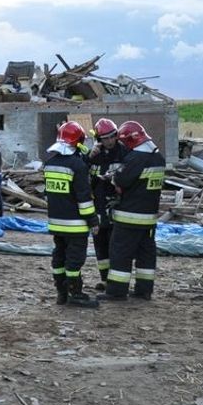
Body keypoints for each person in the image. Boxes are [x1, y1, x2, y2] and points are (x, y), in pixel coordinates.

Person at [101, 121, 164, 302]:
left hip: (129, 216)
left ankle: (116, 291)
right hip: (149, 218)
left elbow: (121, 179)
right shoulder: (157, 157)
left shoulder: (136, 158)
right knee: (146, 254)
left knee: (120, 253)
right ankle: (144, 290)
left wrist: (113, 179)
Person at [43, 121, 99, 308]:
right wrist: (93, 220)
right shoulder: (77, 166)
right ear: (79, 141)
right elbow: (83, 199)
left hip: (55, 222)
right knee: (75, 260)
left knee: (59, 257)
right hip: (75, 224)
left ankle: (61, 293)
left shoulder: (49, 164)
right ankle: (75, 294)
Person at [87, 118, 126, 290]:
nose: (109, 141)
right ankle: (104, 278)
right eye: (105, 138)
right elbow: (82, 174)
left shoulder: (124, 152)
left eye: (111, 137)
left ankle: (115, 280)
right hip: (99, 205)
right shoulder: (95, 156)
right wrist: (88, 158)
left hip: (118, 205)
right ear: (99, 139)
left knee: (115, 243)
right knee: (99, 242)